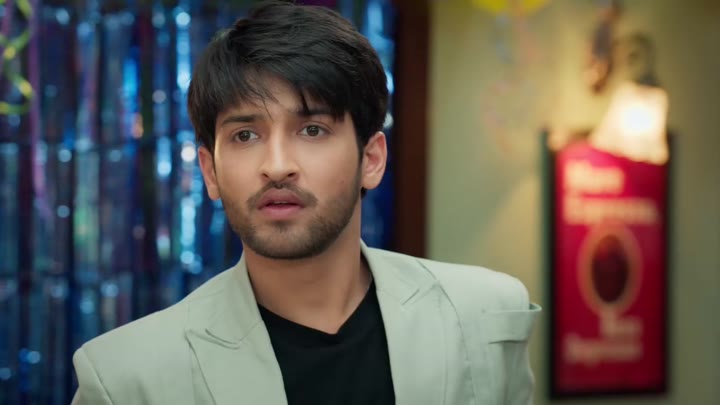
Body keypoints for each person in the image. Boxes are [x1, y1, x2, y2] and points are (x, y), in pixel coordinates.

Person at [71, 1, 540, 404]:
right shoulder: (126, 376)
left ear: (371, 159)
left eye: (312, 130)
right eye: (245, 135)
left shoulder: (485, 314)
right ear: (210, 172)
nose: (277, 166)